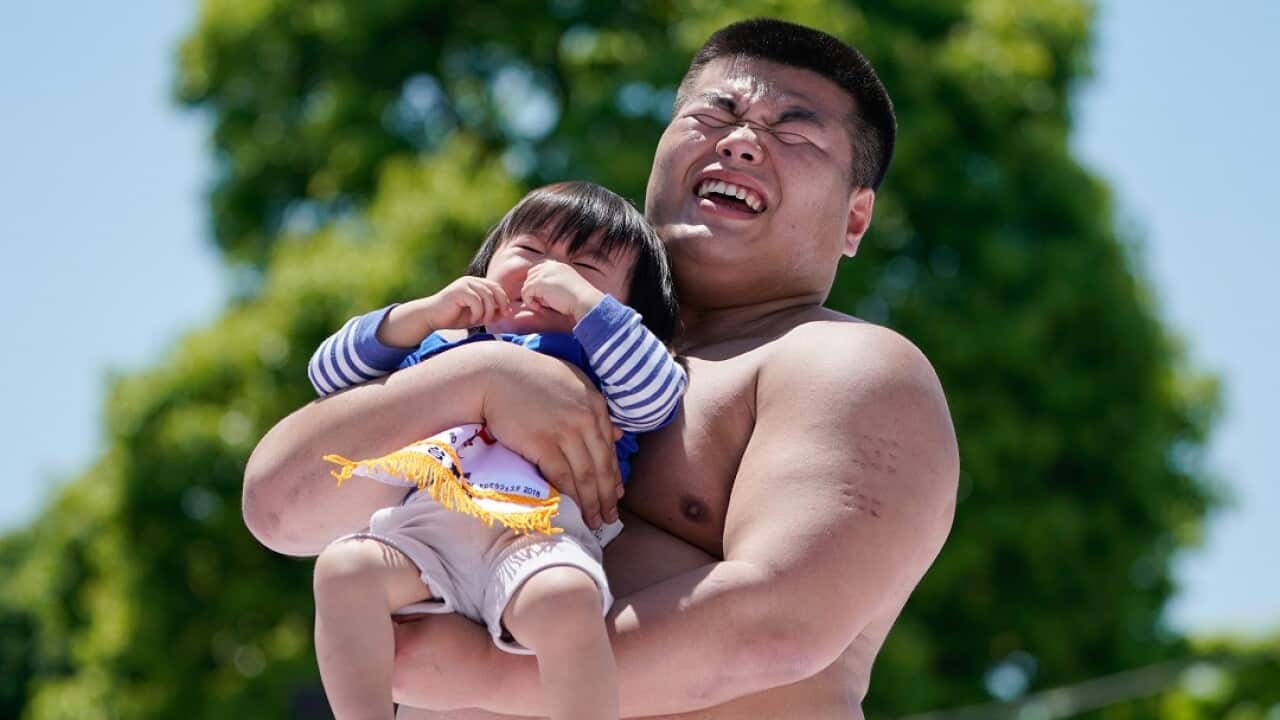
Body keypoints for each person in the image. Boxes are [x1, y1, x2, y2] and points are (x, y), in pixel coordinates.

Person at [243, 17, 959, 720]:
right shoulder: (499, 338)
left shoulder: (852, 366)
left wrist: (483, 675)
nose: (741, 143)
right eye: (717, 113)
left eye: (794, 132)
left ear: (856, 218)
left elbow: (777, 624)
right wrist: (480, 381)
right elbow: (280, 509)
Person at [301, 181, 686, 720]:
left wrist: (586, 309)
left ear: (624, 311)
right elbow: (327, 375)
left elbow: (658, 397)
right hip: (423, 533)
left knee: (567, 602)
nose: (546, 272)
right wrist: (421, 315)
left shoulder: (603, 369)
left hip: (539, 538)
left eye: (586, 267)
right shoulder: (445, 347)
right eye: (530, 251)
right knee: (343, 569)